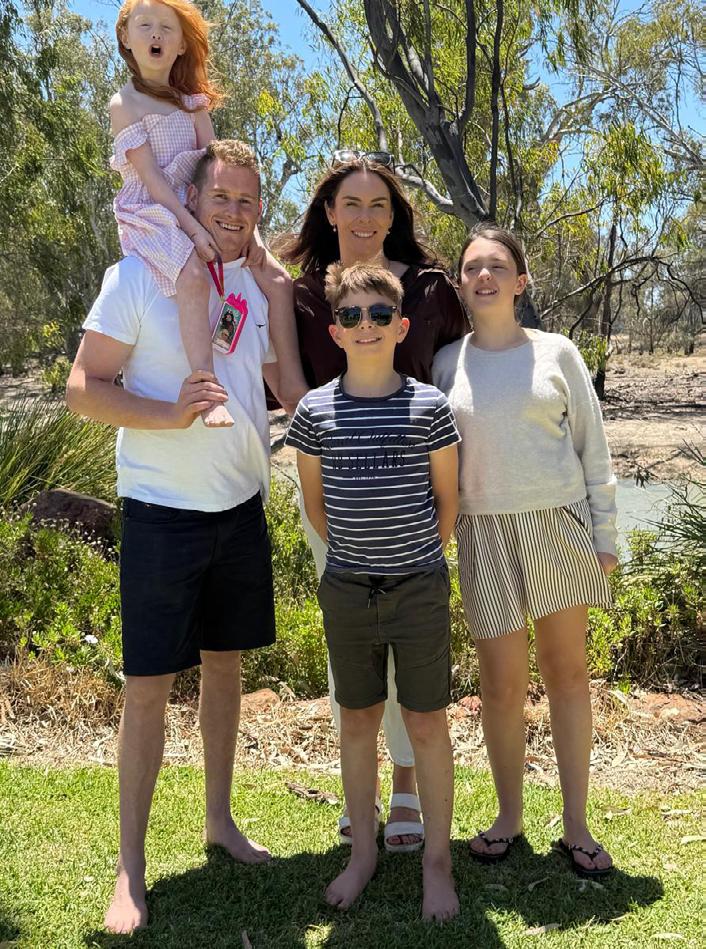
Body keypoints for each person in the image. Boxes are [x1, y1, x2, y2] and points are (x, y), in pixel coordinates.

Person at [66, 139, 283, 935]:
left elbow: (277, 383)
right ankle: (130, 869)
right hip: (161, 512)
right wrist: (170, 414)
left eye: (246, 201)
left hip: (240, 508)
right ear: (190, 201)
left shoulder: (252, 288)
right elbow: (83, 388)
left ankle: (219, 821)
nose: (233, 212)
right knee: (148, 687)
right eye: (219, 197)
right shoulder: (136, 277)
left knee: (225, 669)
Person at [277, 154, 468, 850]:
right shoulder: (304, 294)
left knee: (410, 656)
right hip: (337, 497)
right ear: (329, 213)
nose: (364, 217)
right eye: (350, 204)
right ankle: (360, 797)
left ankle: (408, 785)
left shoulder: (429, 289)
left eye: (378, 204)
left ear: (394, 216)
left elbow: (460, 376)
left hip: (416, 500)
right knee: (352, 659)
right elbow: (290, 386)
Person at [433, 225, 617, 878]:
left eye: (497, 266)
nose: (484, 276)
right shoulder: (445, 364)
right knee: (501, 687)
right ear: (460, 283)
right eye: (472, 267)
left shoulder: (557, 353)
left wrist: (605, 535)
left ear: (521, 281)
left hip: (556, 525)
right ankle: (508, 816)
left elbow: (594, 448)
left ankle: (576, 825)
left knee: (568, 676)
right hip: (482, 533)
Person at [110, 0, 305, 426]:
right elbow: (153, 182)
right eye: (145, 25)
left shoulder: (192, 103)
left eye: (167, 27)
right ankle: (206, 386)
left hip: (198, 203)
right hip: (154, 213)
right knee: (194, 276)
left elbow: (214, 160)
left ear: (182, 44)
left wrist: (252, 234)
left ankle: (293, 392)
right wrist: (194, 230)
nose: (156, 34)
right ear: (126, 37)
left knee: (277, 279)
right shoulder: (124, 103)